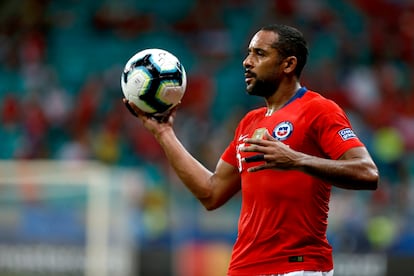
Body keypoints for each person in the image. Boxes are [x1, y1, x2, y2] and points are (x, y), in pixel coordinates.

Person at [123, 24, 379, 276]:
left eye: (260, 53)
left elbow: (367, 173)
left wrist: (296, 159)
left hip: (297, 266)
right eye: (248, 53)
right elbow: (211, 193)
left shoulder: (318, 110)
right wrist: (164, 133)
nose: (247, 62)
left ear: (288, 64)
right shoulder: (249, 122)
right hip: (245, 268)